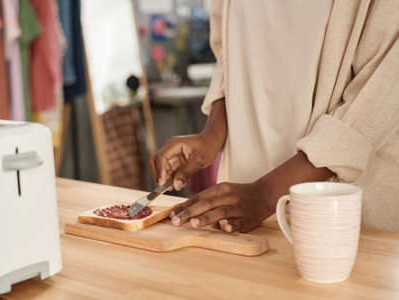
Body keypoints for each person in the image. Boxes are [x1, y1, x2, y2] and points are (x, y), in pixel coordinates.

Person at [150, 0, 399, 232]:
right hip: (243, 207)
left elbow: (384, 87)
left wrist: (266, 194)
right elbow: (230, 54)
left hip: (341, 217)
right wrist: (213, 134)